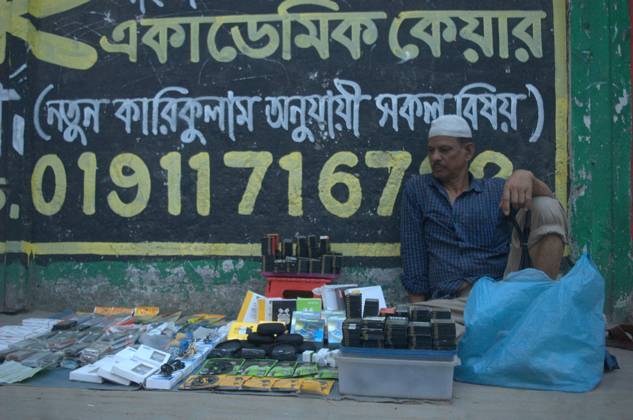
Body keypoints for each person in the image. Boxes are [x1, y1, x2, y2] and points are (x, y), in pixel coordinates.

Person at [400, 115, 569, 332]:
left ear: (468, 151)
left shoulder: (495, 190)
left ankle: (539, 310)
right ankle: (513, 328)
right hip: (450, 305)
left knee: (546, 206)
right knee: (409, 324)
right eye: (431, 150)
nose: (435, 157)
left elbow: (553, 210)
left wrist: (527, 177)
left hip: (500, 295)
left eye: (444, 150)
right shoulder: (418, 190)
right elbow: (413, 256)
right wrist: (420, 320)